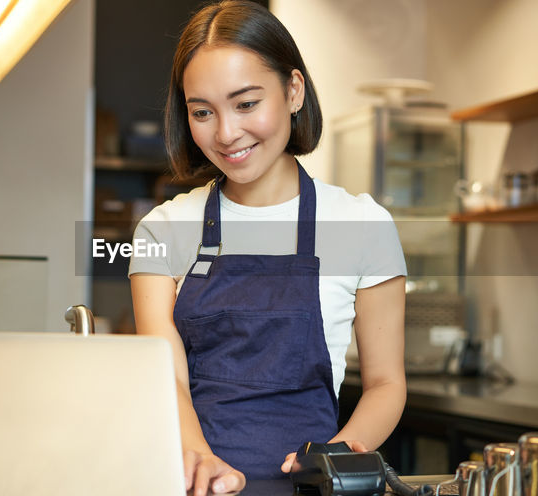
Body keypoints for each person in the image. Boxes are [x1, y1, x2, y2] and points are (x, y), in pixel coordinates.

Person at [128, 2, 407, 494]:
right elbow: (165, 378)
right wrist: (201, 461)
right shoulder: (162, 229)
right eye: (202, 112)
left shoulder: (364, 224)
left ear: (293, 91)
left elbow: (386, 383)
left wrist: (334, 462)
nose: (226, 133)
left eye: (246, 103)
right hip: (190, 483)